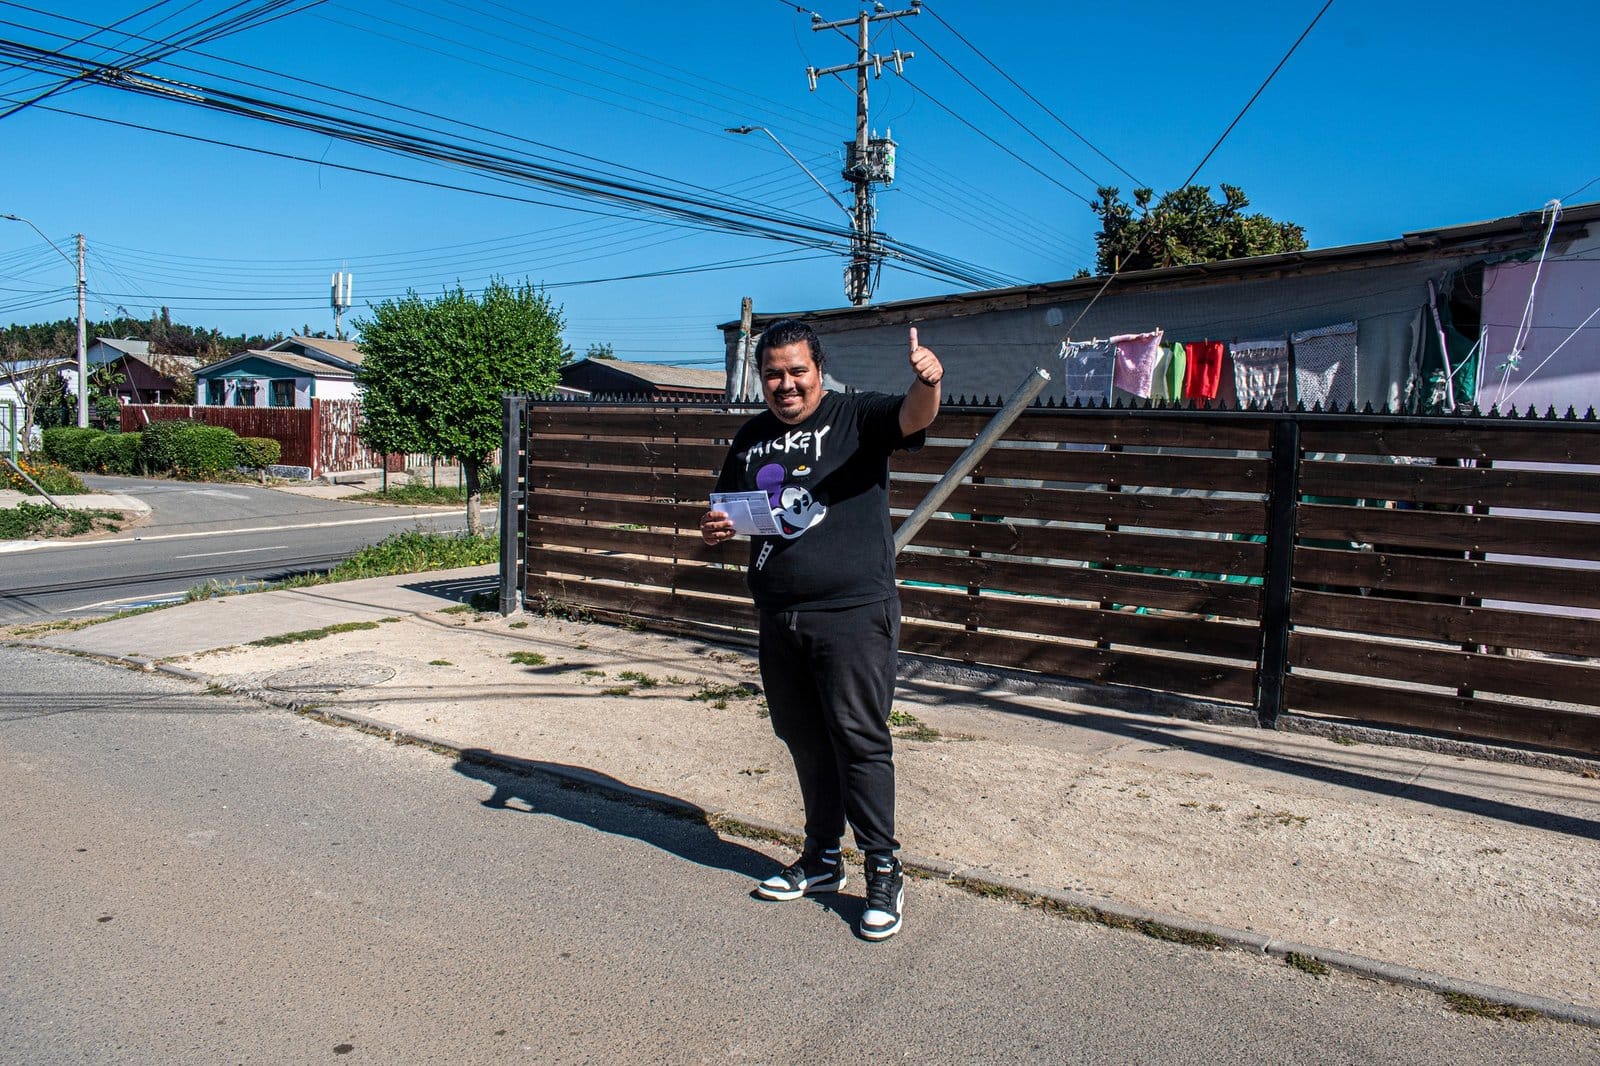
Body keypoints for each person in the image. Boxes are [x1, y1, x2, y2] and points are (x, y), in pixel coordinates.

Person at [700, 317, 942, 941]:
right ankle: (821, 858)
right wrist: (718, 528)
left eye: (797, 371)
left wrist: (929, 382)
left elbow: (915, 419)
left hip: (852, 611)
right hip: (780, 614)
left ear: (818, 369)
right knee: (803, 736)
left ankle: (883, 870)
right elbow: (728, 511)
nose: (786, 384)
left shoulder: (855, 416)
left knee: (858, 738)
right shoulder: (751, 436)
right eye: (774, 373)